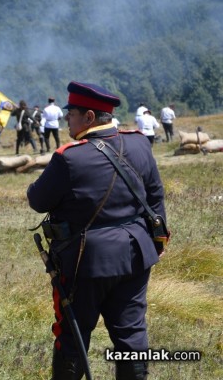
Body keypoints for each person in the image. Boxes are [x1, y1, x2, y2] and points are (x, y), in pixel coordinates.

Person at [27, 81, 166, 380]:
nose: (66, 118)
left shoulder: (70, 157)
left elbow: (37, 201)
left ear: (89, 117)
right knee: (131, 335)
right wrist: (157, 241)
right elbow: (155, 196)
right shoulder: (140, 142)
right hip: (136, 253)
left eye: (72, 113)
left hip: (85, 261)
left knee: (73, 335)